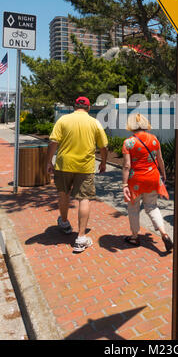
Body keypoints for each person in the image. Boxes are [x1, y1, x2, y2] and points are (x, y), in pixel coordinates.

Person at [46, 96, 108, 253]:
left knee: (63, 193)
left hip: (63, 164)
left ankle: (65, 223)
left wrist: (48, 161)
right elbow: (104, 146)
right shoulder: (94, 122)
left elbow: (53, 142)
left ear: (74, 106)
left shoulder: (63, 120)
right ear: (88, 108)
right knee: (84, 198)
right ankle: (81, 238)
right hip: (84, 167)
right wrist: (103, 162)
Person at [122, 113, 173, 252]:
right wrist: (163, 173)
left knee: (133, 208)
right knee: (152, 206)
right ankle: (164, 233)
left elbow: (127, 165)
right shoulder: (154, 139)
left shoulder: (128, 142)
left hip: (136, 180)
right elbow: (160, 159)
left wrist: (124, 184)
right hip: (152, 177)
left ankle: (134, 236)